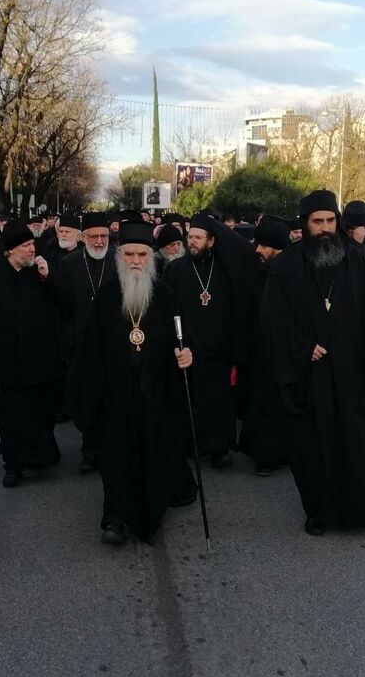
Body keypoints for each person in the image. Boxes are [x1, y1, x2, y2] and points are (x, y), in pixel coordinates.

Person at [259, 190, 365, 536]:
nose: (325, 228)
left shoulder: (354, 260)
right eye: (318, 221)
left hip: (351, 373)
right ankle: (319, 512)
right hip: (310, 377)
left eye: (330, 220)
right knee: (314, 450)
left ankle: (357, 510)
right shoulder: (286, 266)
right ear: (306, 224)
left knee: (355, 445)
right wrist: (302, 347)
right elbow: (273, 321)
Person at [73, 221, 196, 546]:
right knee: (116, 458)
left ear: (151, 257)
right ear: (119, 257)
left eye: (142, 254)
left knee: (154, 457)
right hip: (116, 397)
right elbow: (90, 351)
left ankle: (149, 512)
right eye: (129, 255)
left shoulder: (166, 297)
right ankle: (114, 518)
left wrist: (186, 354)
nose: (136, 261)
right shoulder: (105, 298)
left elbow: (183, 340)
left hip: (156, 395)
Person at [0, 221, 68, 487]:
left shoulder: (39, 271)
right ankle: (13, 464)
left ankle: (41, 455)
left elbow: (65, 302)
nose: (32, 249)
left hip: (41, 357)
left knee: (42, 410)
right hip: (7, 359)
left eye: (32, 244)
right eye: (26, 246)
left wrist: (49, 277)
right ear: (11, 250)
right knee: (11, 413)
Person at [163, 214, 257, 469]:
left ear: (212, 240)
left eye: (198, 237)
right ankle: (189, 444)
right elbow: (168, 306)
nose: (192, 242)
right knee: (188, 399)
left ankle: (219, 448)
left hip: (219, 348)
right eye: (190, 237)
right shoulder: (176, 269)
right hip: (187, 347)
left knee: (219, 401)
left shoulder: (226, 269)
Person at [57, 211, 118, 472]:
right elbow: (63, 307)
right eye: (93, 237)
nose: (99, 241)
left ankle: (111, 448)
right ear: (83, 237)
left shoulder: (119, 260)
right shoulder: (69, 263)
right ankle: (89, 449)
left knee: (111, 399)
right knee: (87, 399)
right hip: (81, 345)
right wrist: (67, 342)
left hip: (113, 343)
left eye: (103, 236)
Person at [239, 214, 292, 476]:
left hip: (287, 351)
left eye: (263, 245)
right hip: (258, 351)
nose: (258, 250)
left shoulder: (293, 274)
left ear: (277, 248)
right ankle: (263, 456)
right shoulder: (254, 271)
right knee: (261, 405)